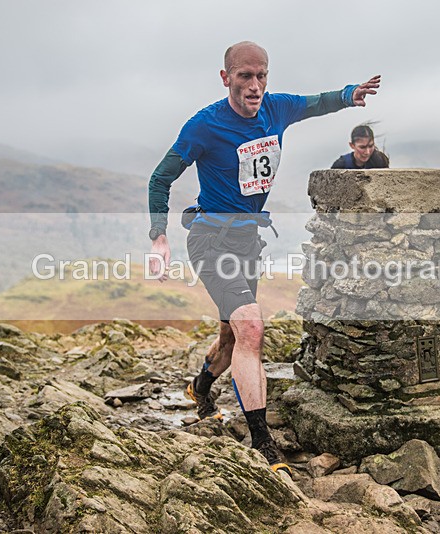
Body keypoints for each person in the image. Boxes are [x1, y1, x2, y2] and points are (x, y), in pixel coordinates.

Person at [147, 41, 379, 474]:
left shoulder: (277, 108)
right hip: (210, 240)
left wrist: (350, 94)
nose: (255, 86)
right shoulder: (204, 125)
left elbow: (316, 103)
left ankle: (200, 387)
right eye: (244, 77)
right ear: (226, 78)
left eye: (262, 76)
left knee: (233, 337)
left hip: (247, 242)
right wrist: (159, 237)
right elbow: (160, 178)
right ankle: (262, 444)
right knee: (252, 327)